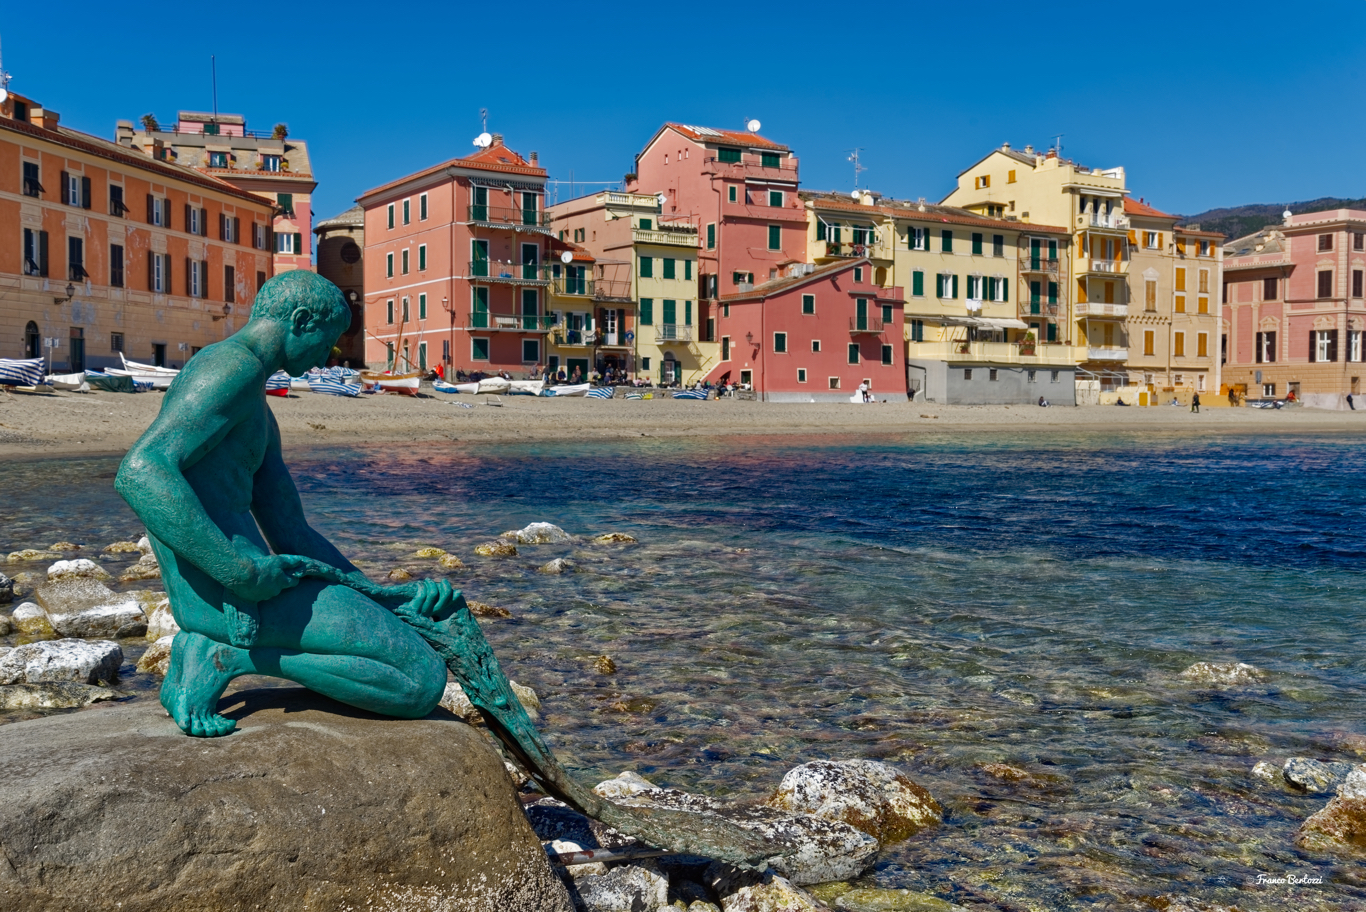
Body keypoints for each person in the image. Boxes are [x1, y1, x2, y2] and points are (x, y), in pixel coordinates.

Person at [115, 272, 458, 738]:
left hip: (251, 590)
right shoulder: (229, 369)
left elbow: (291, 530)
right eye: (329, 340)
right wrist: (240, 571)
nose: (329, 356)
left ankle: (215, 651)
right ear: (300, 321)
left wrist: (386, 596)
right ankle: (228, 656)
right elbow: (141, 470)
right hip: (232, 599)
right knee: (419, 682)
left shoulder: (255, 401)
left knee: (410, 640)